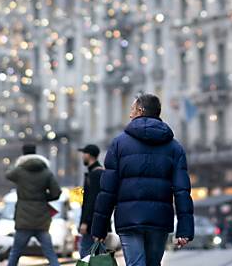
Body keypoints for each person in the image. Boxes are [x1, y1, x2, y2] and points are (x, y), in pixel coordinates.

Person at [91, 93, 194, 266]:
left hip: (129, 218)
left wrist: (100, 228)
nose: (130, 115)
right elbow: (182, 191)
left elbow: (108, 190)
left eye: (132, 110)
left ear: (140, 110)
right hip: (159, 219)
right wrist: (185, 229)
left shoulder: (119, 144)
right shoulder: (174, 147)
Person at [5, 143, 62, 266]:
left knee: (15, 252)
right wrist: (43, 198)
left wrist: (18, 162)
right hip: (42, 219)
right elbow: (56, 192)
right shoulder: (46, 172)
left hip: (24, 220)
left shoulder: (19, 171)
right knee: (50, 253)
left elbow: (8, 174)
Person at [77, 144, 107, 257]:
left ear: (88, 155)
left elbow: (92, 200)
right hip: (97, 222)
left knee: (85, 254)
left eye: (84, 154)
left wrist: (85, 222)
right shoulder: (97, 172)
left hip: (92, 224)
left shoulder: (95, 174)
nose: (82, 157)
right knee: (96, 255)